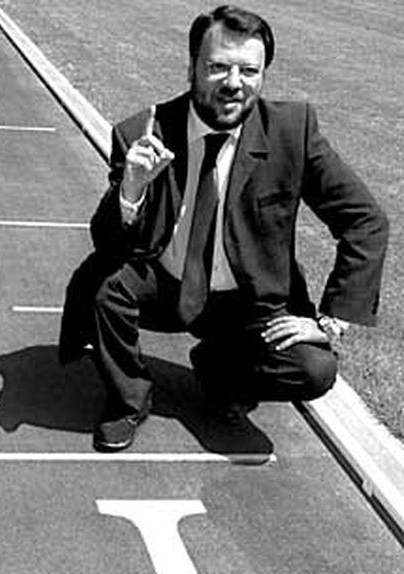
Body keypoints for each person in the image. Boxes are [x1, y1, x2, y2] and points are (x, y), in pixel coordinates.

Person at [59, 5, 388, 454]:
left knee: (314, 369)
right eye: (217, 67)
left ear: (263, 74)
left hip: (248, 298)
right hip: (166, 281)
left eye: (249, 70)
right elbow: (107, 242)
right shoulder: (143, 131)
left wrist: (328, 322)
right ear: (192, 67)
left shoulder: (294, 130)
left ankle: (218, 369)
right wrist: (130, 190)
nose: (233, 83)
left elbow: (365, 221)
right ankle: (128, 399)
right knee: (102, 287)